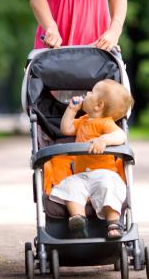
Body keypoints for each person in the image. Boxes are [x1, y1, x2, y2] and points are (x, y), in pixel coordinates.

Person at [29, 0, 128, 198]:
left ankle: (106, 196)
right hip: (56, 42)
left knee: (100, 117)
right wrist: (50, 28)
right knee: (61, 125)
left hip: (98, 43)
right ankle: (65, 197)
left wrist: (114, 30)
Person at [49, 79, 134, 239]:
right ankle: (78, 220)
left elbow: (120, 135)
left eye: (91, 92)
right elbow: (66, 128)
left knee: (108, 187)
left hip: (103, 173)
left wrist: (103, 140)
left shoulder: (105, 123)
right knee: (70, 186)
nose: (86, 94)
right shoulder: (83, 121)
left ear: (98, 105)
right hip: (82, 175)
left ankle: (113, 222)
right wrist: (71, 109)